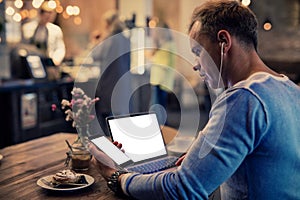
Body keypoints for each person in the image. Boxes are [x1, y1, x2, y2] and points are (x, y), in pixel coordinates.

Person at [89, 1, 300, 199]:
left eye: (198, 52)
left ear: (224, 42)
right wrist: (201, 158)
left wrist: (117, 177)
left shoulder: (243, 98)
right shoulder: (290, 88)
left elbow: (183, 189)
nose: (195, 64)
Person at [91, 10, 132, 136]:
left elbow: (95, 55)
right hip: (124, 83)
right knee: (120, 119)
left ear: (107, 24)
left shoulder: (109, 39)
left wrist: (95, 40)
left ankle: (110, 150)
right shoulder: (126, 39)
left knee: (107, 121)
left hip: (109, 83)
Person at [147, 21, 176, 125]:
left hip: (160, 81)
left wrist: (152, 58)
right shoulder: (167, 44)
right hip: (161, 80)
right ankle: (162, 127)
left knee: (156, 107)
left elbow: (163, 64)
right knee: (159, 107)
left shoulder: (167, 45)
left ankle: (160, 128)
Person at [22, 1, 66, 66]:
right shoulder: (27, 28)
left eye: (52, 14)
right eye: (47, 14)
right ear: (40, 13)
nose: (50, 16)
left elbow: (60, 48)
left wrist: (56, 59)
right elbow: (23, 46)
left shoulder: (56, 30)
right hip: (32, 62)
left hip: (48, 62)